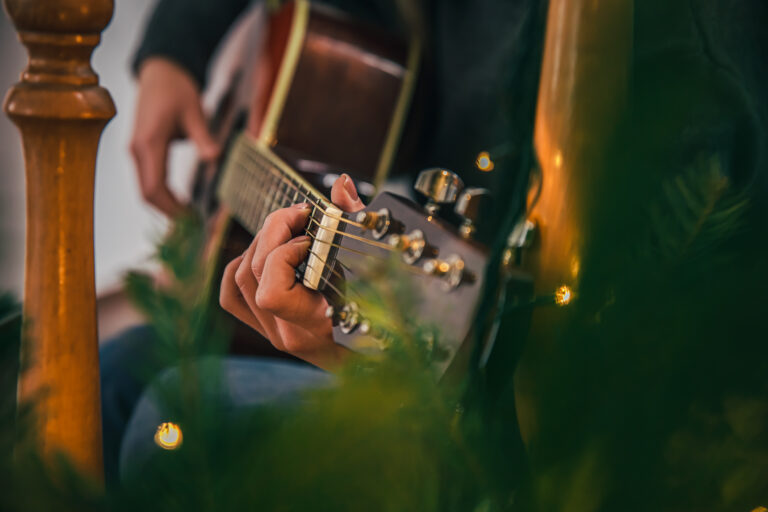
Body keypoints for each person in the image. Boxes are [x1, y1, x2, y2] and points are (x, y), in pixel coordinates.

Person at [104, 0, 546, 484]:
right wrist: (171, 51)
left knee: (168, 424)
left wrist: (361, 351)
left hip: (496, 382)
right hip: (426, 316)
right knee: (113, 372)